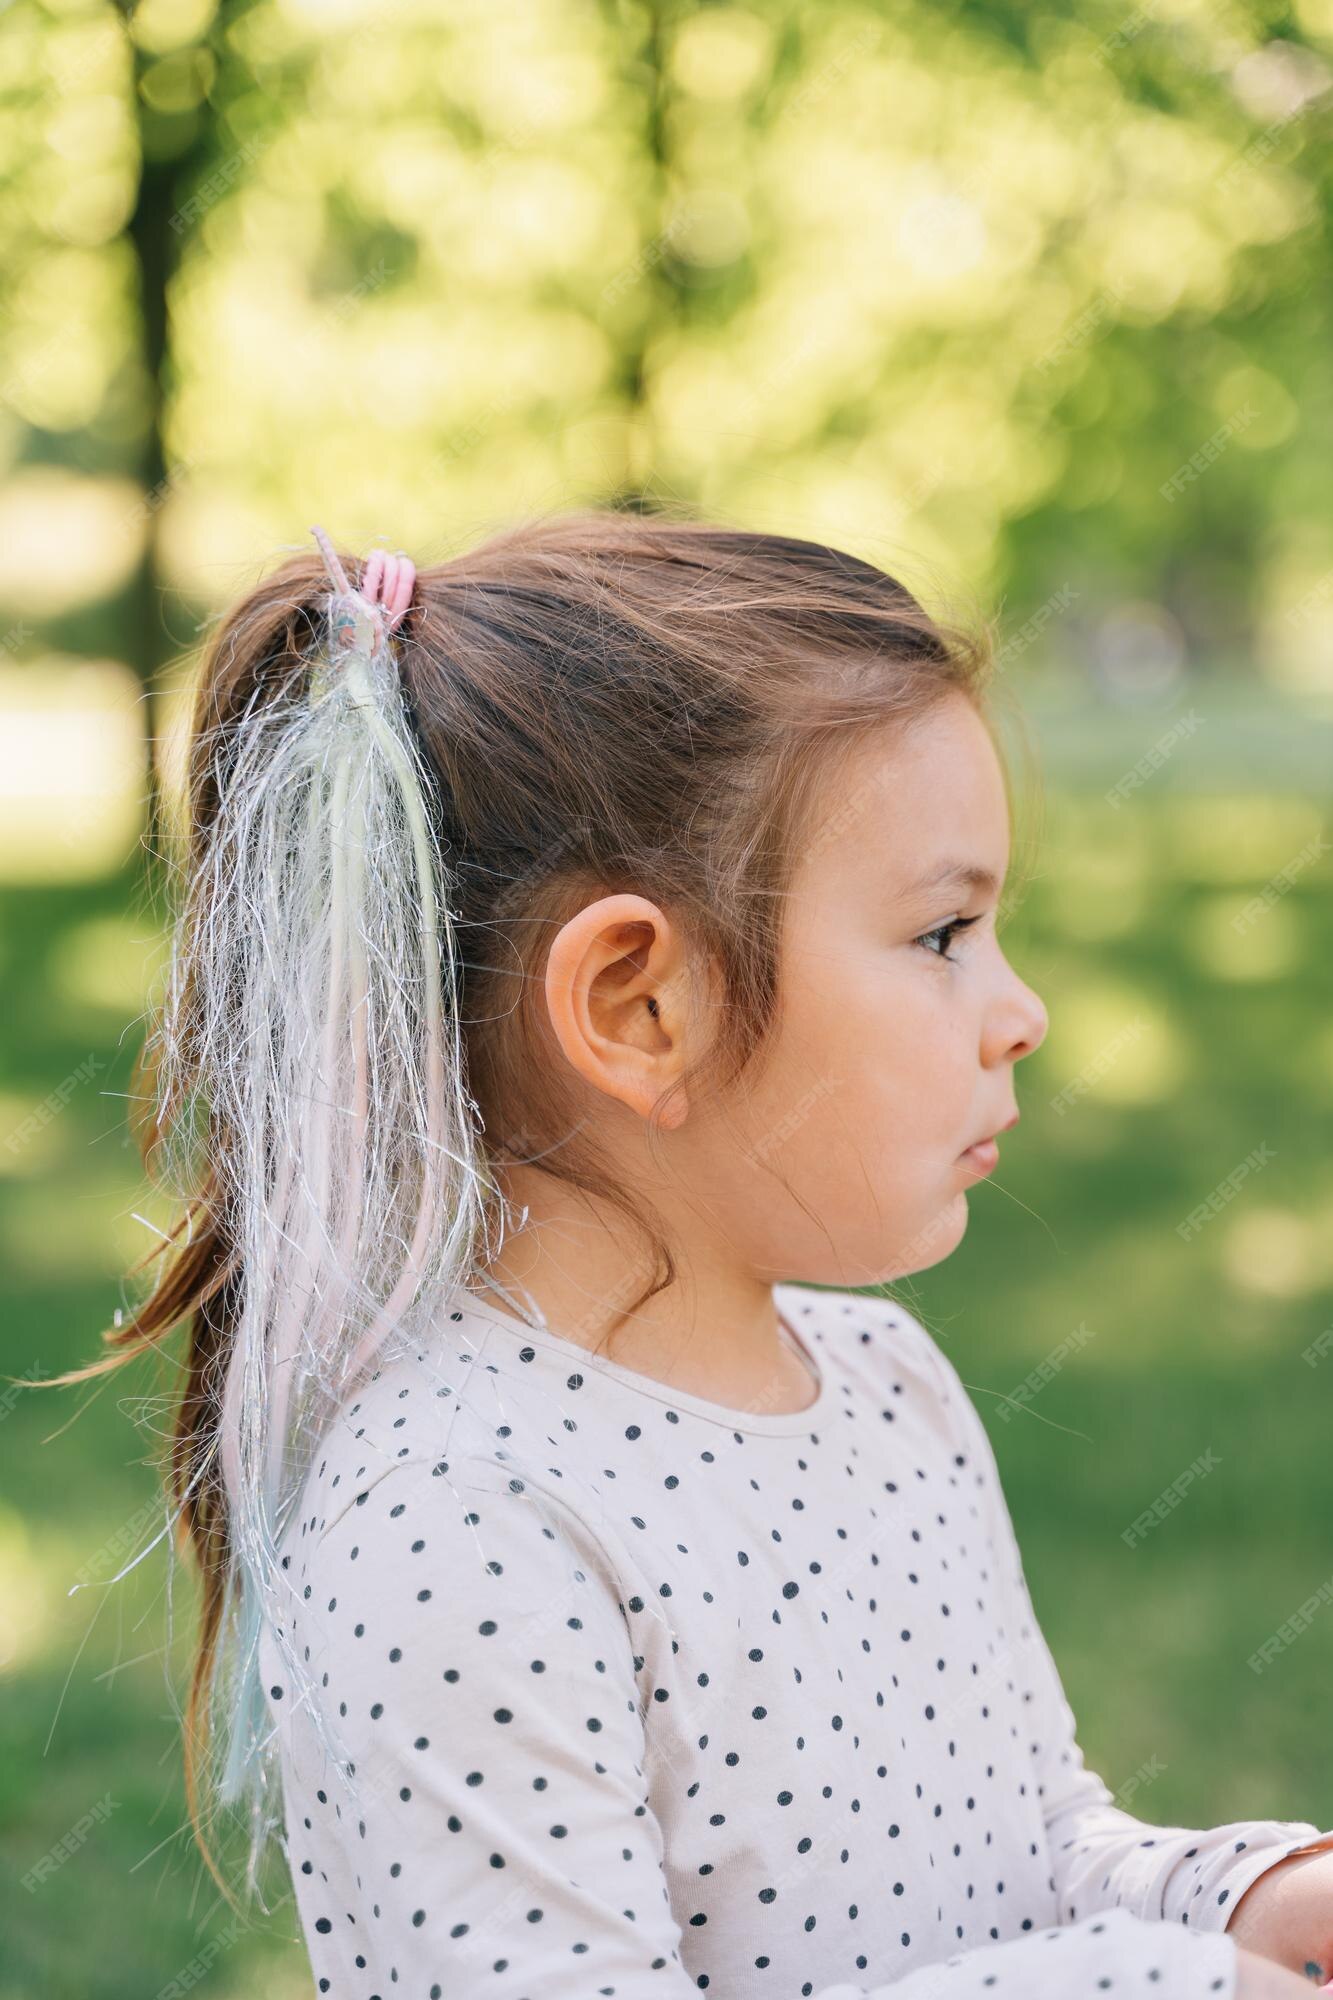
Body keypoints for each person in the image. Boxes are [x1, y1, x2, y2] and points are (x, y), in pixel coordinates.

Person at [63, 511, 1333, 1996]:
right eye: (941, 936)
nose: (1020, 1011)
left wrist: (1240, 1903)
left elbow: (1034, 1850)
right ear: (636, 1007)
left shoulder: (881, 1385)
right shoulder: (463, 1521)